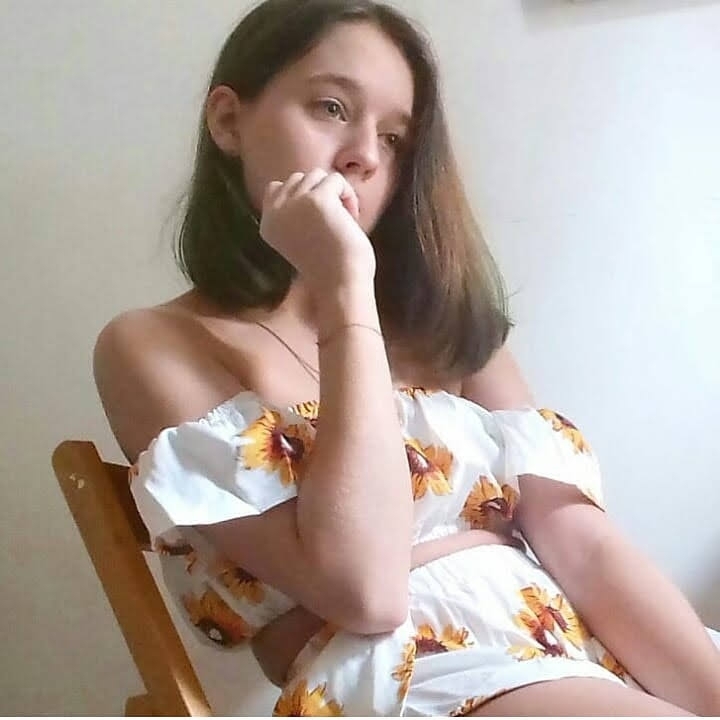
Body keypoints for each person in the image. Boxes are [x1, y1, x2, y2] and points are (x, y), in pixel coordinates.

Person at [93, 0, 720, 715]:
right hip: (405, 675)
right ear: (229, 120)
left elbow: (581, 545)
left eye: (393, 137)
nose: (364, 154)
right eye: (331, 107)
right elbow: (366, 590)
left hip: (574, 647)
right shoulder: (157, 345)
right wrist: (345, 289)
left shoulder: (442, 326)